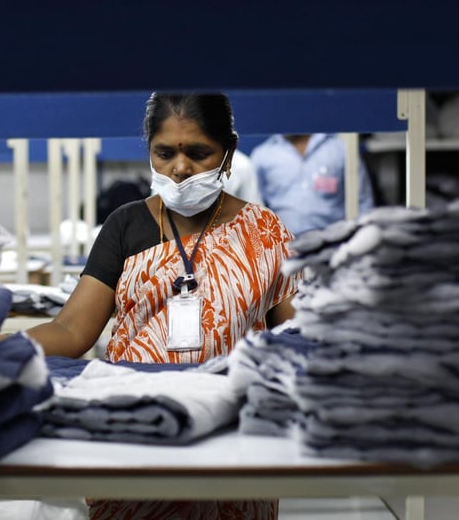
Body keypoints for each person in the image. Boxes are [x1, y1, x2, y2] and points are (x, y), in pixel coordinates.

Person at [26, 92, 299, 520]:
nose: (180, 168)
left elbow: (297, 338)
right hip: (135, 438)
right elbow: (71, 331)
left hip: (231, 446)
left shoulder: (264, 232)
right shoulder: (125, 225)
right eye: (165, 153)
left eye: (198, 153)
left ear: (229, 152)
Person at [250, 133, 375, 235]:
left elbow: (363, 203)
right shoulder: (262, 156)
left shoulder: (340, 149)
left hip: (333, 244)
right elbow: (254, 209)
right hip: (283, 247)